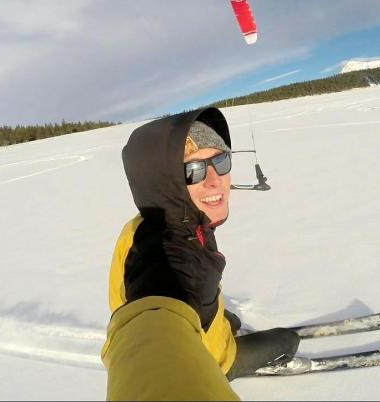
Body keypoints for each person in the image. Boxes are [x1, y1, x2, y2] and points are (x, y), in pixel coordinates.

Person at [102, 107, 300, 393]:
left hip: (205, 324)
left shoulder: (156, 220)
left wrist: (211, 313)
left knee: (230, 318)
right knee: (287, 340)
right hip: (212, 359)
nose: (213, 179)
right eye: (192, 171)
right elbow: (153, 338)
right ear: (167, 184)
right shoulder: (169, 260)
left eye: (220, 161)